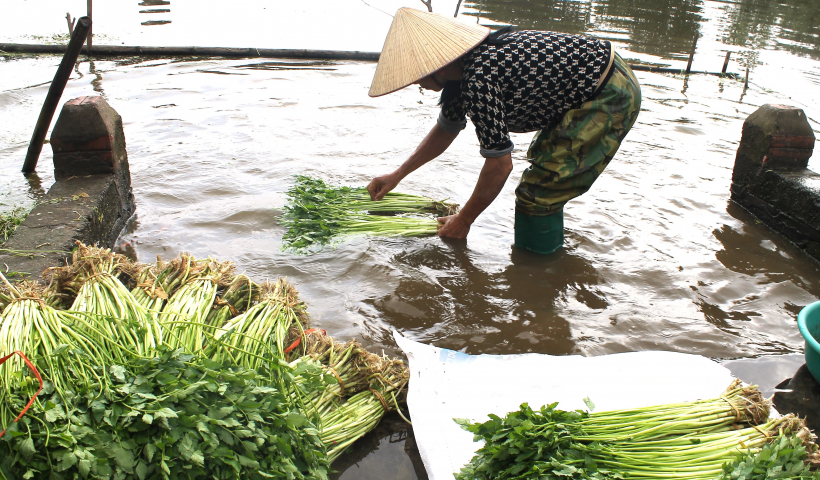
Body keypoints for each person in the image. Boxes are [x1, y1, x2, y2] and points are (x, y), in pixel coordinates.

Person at [366, 8, 641, 254]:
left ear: (435, 66)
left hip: (606, 92)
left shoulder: (479, 77)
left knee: (539, 192)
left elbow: (500, 165)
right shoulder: (462, 72)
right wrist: (397, 175)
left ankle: (538, 271)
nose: (416, 83)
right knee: (545, 168)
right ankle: (551, 264)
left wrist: (464, 220)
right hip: (589, 84)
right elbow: (446, 129)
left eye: (415, 75)